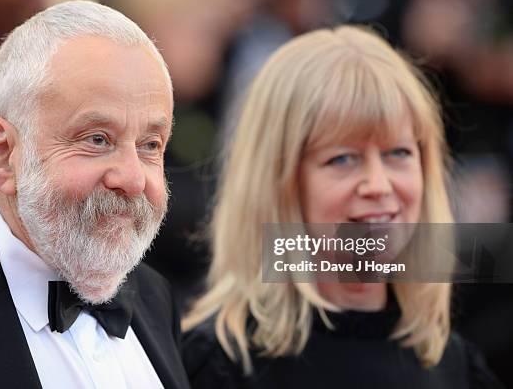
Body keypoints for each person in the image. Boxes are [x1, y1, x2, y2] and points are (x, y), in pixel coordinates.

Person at [182, 26, 503, 388]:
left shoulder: (453, 365)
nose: (378, 185)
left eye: (398, 153)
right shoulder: (217, 365)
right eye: (343, 159)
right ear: (276, 182)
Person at [0, 0, 190, 389]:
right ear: (1, 154)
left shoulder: (154, 297)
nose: (134, 180)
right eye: (97, 139)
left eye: (151, 145)